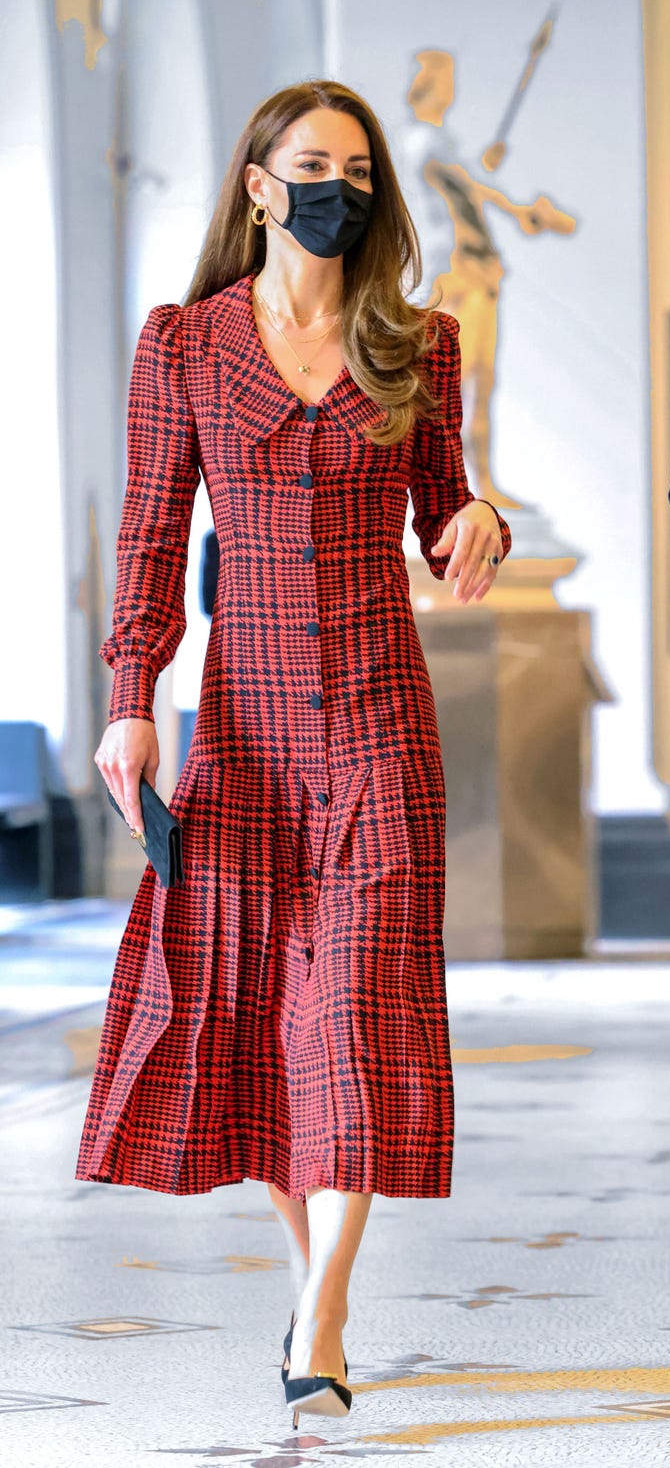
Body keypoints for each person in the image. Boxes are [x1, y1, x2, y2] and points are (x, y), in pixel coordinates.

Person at [77, 79, 509, 1429]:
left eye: (360, 170)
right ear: (259, 184)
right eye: (314, 164)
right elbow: (151, 536)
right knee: (272, 1023)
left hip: (382, 722)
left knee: (358, 1022)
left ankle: (321, 1308)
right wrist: (130, 695)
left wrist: (479, 515)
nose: (341, 188)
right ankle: (313, 1284)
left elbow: (449, 512)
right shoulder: (186, 346)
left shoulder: (417, 342)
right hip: (247, 735)